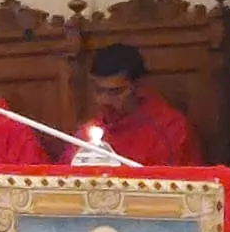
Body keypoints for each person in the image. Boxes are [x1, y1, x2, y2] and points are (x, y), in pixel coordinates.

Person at [63, 43, 202, 166]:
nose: (104, 101)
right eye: (99, 90)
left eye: (115, 92)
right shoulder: (87, 133)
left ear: (139, 87)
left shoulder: (171, 129)